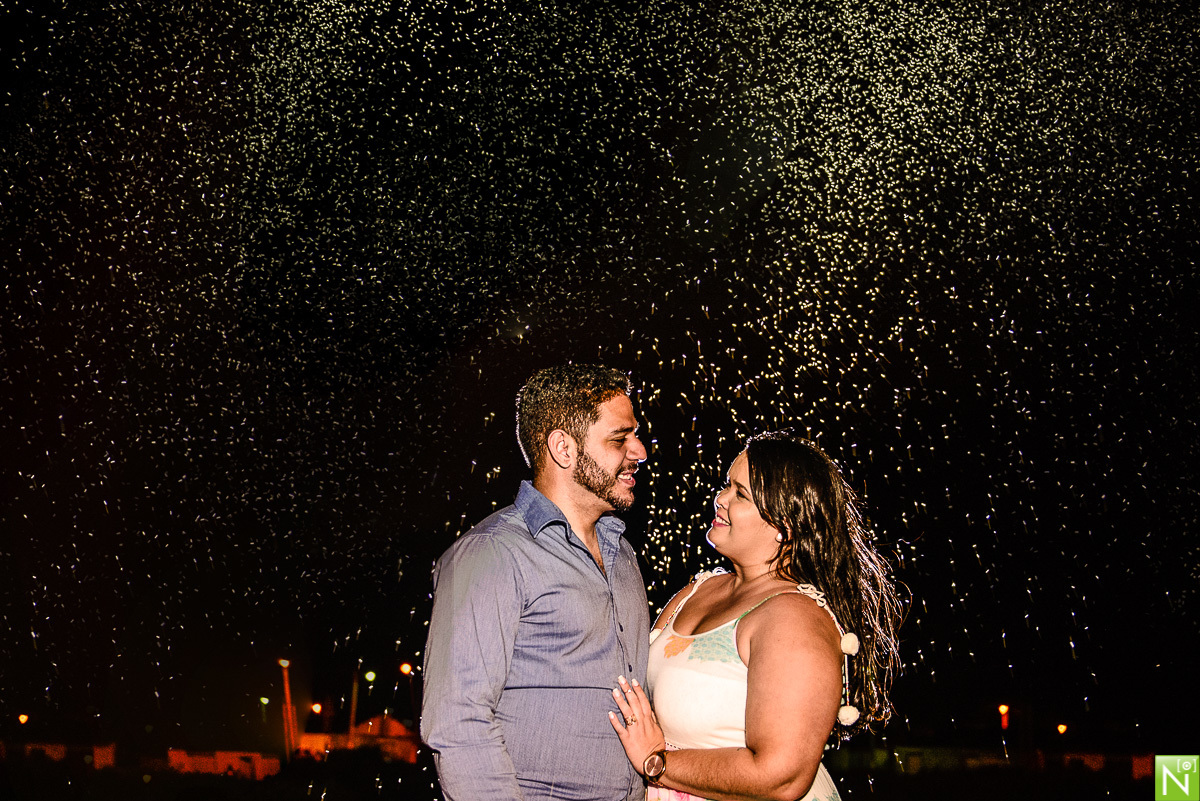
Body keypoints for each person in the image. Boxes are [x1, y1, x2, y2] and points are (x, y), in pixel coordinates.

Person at [608, 431, 903, 801]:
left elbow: (780, 776)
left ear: (785, 526)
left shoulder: (793, 617)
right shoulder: (697, 591)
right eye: (726, 486)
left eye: (740, 494)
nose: (720, 499)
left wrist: (657, 764)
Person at [422, 364, 652, 801]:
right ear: (563, 447)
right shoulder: (493, 552)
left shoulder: (624, 556)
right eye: (619, 438)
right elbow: (459, 722)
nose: (639, 450)